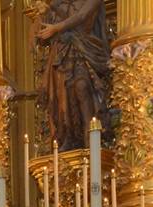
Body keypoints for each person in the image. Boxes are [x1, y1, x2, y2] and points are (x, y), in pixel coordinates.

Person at [35, 0, 110, 151]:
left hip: (86, 48)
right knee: (63, 94)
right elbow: (42, 37)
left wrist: (56, 27)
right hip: (62, 51)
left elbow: (82, 15)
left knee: (82, 87)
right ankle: (69, 135)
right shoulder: (58, 3)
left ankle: (91, 139)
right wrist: (43, 14)